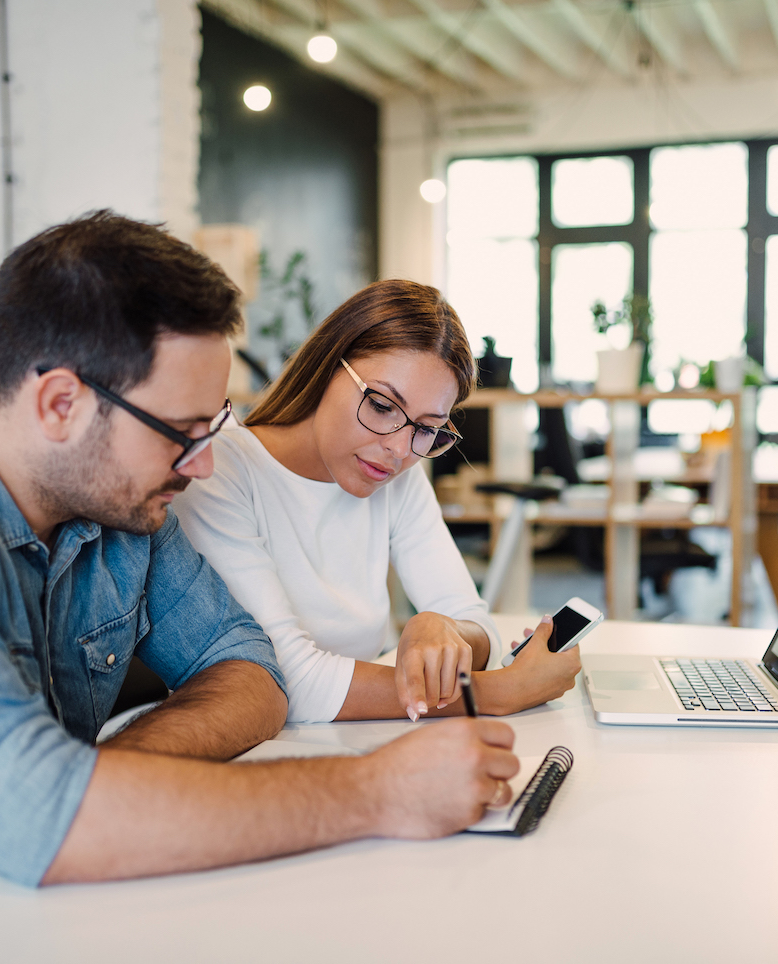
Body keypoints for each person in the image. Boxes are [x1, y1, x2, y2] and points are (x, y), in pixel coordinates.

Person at [0, 214, 523, 964]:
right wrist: (377, 792)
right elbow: (46, 822)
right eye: (182, 433)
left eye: (213, 426)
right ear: (59, 404)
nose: (203, 464)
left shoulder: (123, 512)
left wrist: (108, 776)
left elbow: (252, 673)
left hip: (19, 912)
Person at [172, 280, 581, 724]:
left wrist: (442, 628)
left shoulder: (397, 476)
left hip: (358, 742)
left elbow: (476, 623)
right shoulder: (219, 472)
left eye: (427, 429)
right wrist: (501, 691)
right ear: (330, 366)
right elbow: (284, 679)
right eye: (383, 405)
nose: (400, 449)